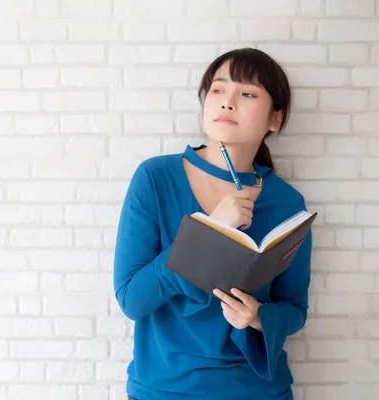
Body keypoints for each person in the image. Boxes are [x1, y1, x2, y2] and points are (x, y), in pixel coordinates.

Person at [113, 47, 313, 400]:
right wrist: (208, 231)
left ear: (275, 119)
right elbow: (132, 300)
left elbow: (294, 310)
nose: (227, 102)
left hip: (258, 392)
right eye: (218, 90)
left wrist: (257, 317)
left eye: (248, 93)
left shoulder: (287, 202)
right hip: (165, 390)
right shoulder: (155, 178)